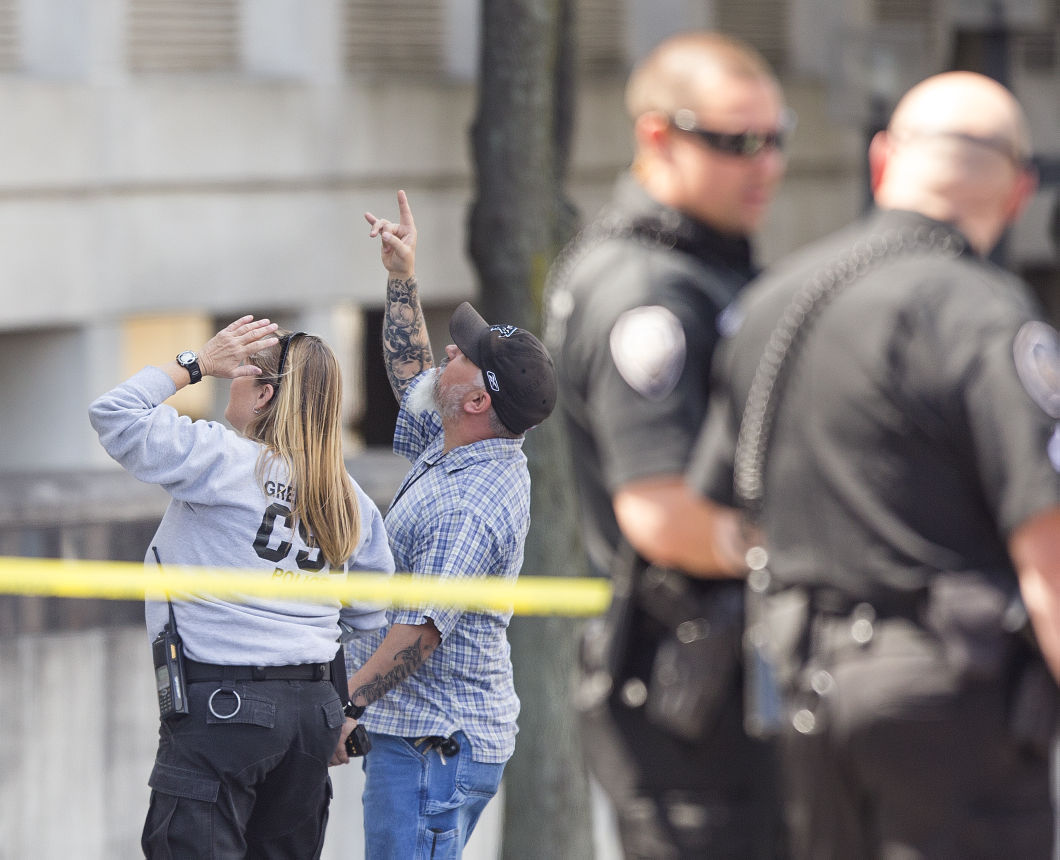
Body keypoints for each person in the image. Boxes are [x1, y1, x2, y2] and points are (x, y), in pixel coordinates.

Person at [687, 70, 1060, 858]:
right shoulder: (985, 313)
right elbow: (1049, 546)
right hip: (949, 702)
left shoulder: (773, 303)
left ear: (883, 159)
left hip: (806, 693)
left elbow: (725, 508)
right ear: (1018, 191)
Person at [543, 31, 787, 857]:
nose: (766, 164)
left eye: (775, 139)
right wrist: (814, 550)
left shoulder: (694, 266)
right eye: (736, 142)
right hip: (692, 700)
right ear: (658, 136)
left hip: (712, 690)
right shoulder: (647, 292)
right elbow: (662, 513)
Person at [88, 317, 395, 858]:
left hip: (224, 708)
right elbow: (370, 612)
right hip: (313, 715)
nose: (229, 381)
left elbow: (114, 414)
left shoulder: (222, 459)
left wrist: (198, 363)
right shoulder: (348, 496)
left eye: (239, 374)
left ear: (264, 396)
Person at [336, 189, 558, 859]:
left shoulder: (470, 502)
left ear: (478, 399)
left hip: (432, 747)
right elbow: (413, 378)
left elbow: (422, 632)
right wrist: (401, 277)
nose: (449, 352)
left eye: (462, 355)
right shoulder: (460, 439)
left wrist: (346, 707)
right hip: (426, 740)